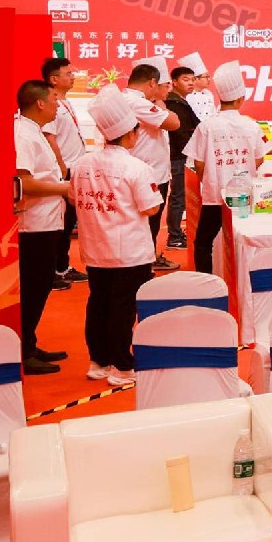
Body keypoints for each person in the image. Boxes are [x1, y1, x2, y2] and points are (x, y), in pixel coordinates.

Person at [68, 91, 161, 387]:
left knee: (98, 304)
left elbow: (73, 198)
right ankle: (122, 366)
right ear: (130, 134)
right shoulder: (136, 167)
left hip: (95, 249)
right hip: (129, 252)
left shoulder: (82, 164)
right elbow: (151, 207)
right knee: (123, 309)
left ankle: (99, 361)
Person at [184, 63, 267, 274]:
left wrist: (208, 179)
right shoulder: (252, 125)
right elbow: (259, 158)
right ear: (240, 100)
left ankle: (205, 281)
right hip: (245, 193)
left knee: (203, 242)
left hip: (215, 193)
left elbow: (198, 163)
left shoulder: (207, 126)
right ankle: (246, 277)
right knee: (247, 238)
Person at [13, 79, 71, 374]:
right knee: (33, 287)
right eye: (54, 100)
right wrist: (65, 188)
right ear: (39, 103)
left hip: (47, 221)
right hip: (33, 225)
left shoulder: (34, 131)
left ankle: (30, 343)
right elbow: (22, 182)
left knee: (41, 284)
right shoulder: (22, 134)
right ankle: (23, 350)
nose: (57, 105)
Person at [126, 63, 181, 271]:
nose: (167, 90)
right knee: (147, 222)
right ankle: (143, 264)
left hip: (148, 172)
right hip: (148, 174)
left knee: (149, 223)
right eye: (164, 85)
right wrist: (160, 103)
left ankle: (148, 258)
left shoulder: (131, 100)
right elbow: (174, 123)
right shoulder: (138, 103)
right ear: (152, 83)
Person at [42, 56, 86, 286]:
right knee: (61, 222)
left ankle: (61, 266)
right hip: (64, 170)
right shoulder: (51, 103)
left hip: (73, 168)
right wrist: (61, 169)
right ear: (53, 79)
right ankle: (54, 270)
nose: (73, 77)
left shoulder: (64, 101)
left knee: (68, 222)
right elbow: (50, 138)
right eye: (68, 74)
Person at [164, 65, 200, 249]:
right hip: (178, 155)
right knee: (178, 197)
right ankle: (175, 236)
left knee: (179, 196)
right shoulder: (173, 103)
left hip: (182, 154)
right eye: (186, 80)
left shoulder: (180, 102)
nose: (191, 83)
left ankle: (176, 233)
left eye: (193, 79)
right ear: (174, 82)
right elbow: (180, 133)